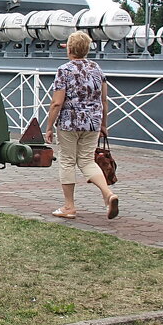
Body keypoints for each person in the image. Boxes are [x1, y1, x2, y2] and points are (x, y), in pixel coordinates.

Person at [44, 30, 118, 220]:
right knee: (87, 161)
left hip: (69, 123)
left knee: (68, 161)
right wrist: (103, 124)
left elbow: (57, 103)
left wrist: (49, 126)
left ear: (69, 49)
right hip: (92, 122)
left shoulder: (64, 70)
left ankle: (69, 207)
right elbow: (104, 100)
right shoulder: (97, 69)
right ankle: (107, 194)